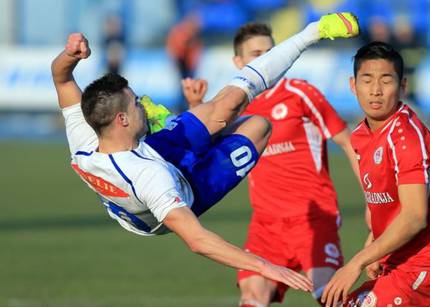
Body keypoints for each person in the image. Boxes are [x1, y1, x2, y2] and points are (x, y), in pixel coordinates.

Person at [51, 13, 360, 292]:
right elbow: (198, 241)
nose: (142, 103)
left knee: (229, 103)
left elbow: (61, 76)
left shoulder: (84, 137)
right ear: (122, 119)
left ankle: (311, 33)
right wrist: (265, 265)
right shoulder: (149, 178)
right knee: (259, 126)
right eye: (136, 104)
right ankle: (193, 127)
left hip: (152, 151)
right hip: (184, 190)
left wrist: (70, 54)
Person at [321, 41, 430, 307]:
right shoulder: (362, 136)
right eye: (367, 80)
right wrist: (374, 247)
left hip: (427, 268)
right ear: (353, 85)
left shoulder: (406, 137)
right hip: (398, 263)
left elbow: (414, 216)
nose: (375, 90)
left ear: (403, 86)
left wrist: (356, 262)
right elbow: (387, 202)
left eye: (386, 80)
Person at [228, 22, 360, 306]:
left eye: (270, 51)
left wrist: (374, 202)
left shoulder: (300, 93)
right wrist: (194, 103)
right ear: (238, 62)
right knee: (251, 297)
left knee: (330, 294)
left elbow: (348, 142)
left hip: (312, 219)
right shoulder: (238, 108)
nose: (265, 59)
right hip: (265, 226)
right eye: (255, 54)